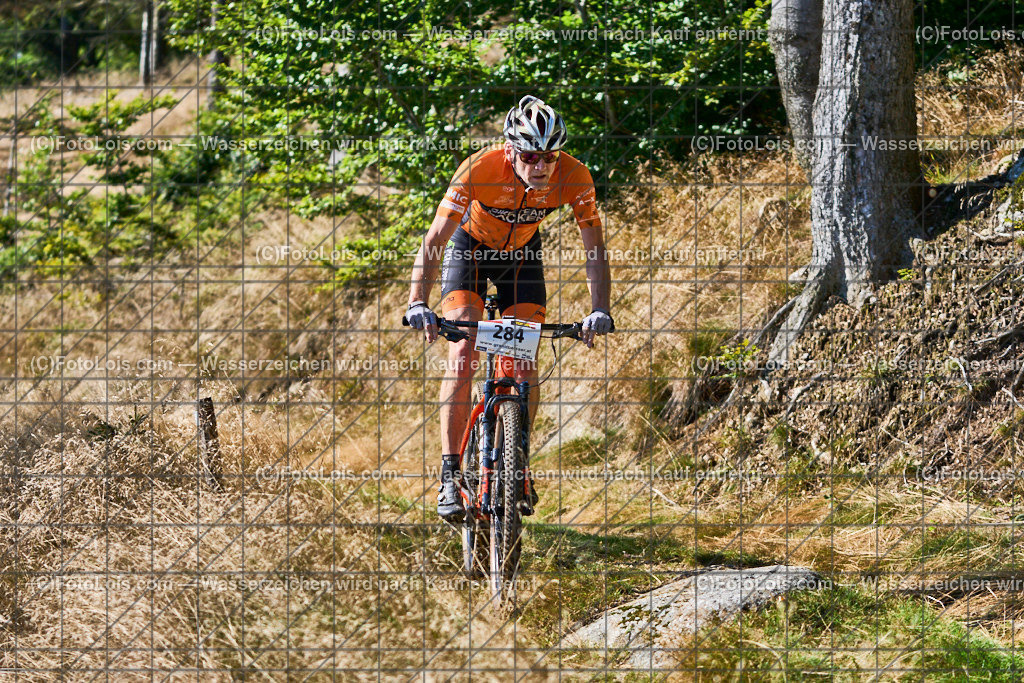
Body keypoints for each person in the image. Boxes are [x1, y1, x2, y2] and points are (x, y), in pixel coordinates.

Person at [406, 95, 613, 521]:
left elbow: (594, 248)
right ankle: (450, 474)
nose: (540, 166)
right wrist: (416, 303)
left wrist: (600, 309)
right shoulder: (479, 169)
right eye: (530, 156)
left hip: (521, 257)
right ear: (510, 151)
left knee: (523, 361)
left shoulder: (574, 176)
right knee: (462, 353)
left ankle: (517, 462)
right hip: (471, 252)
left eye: (549, 157)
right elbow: (434, 241)